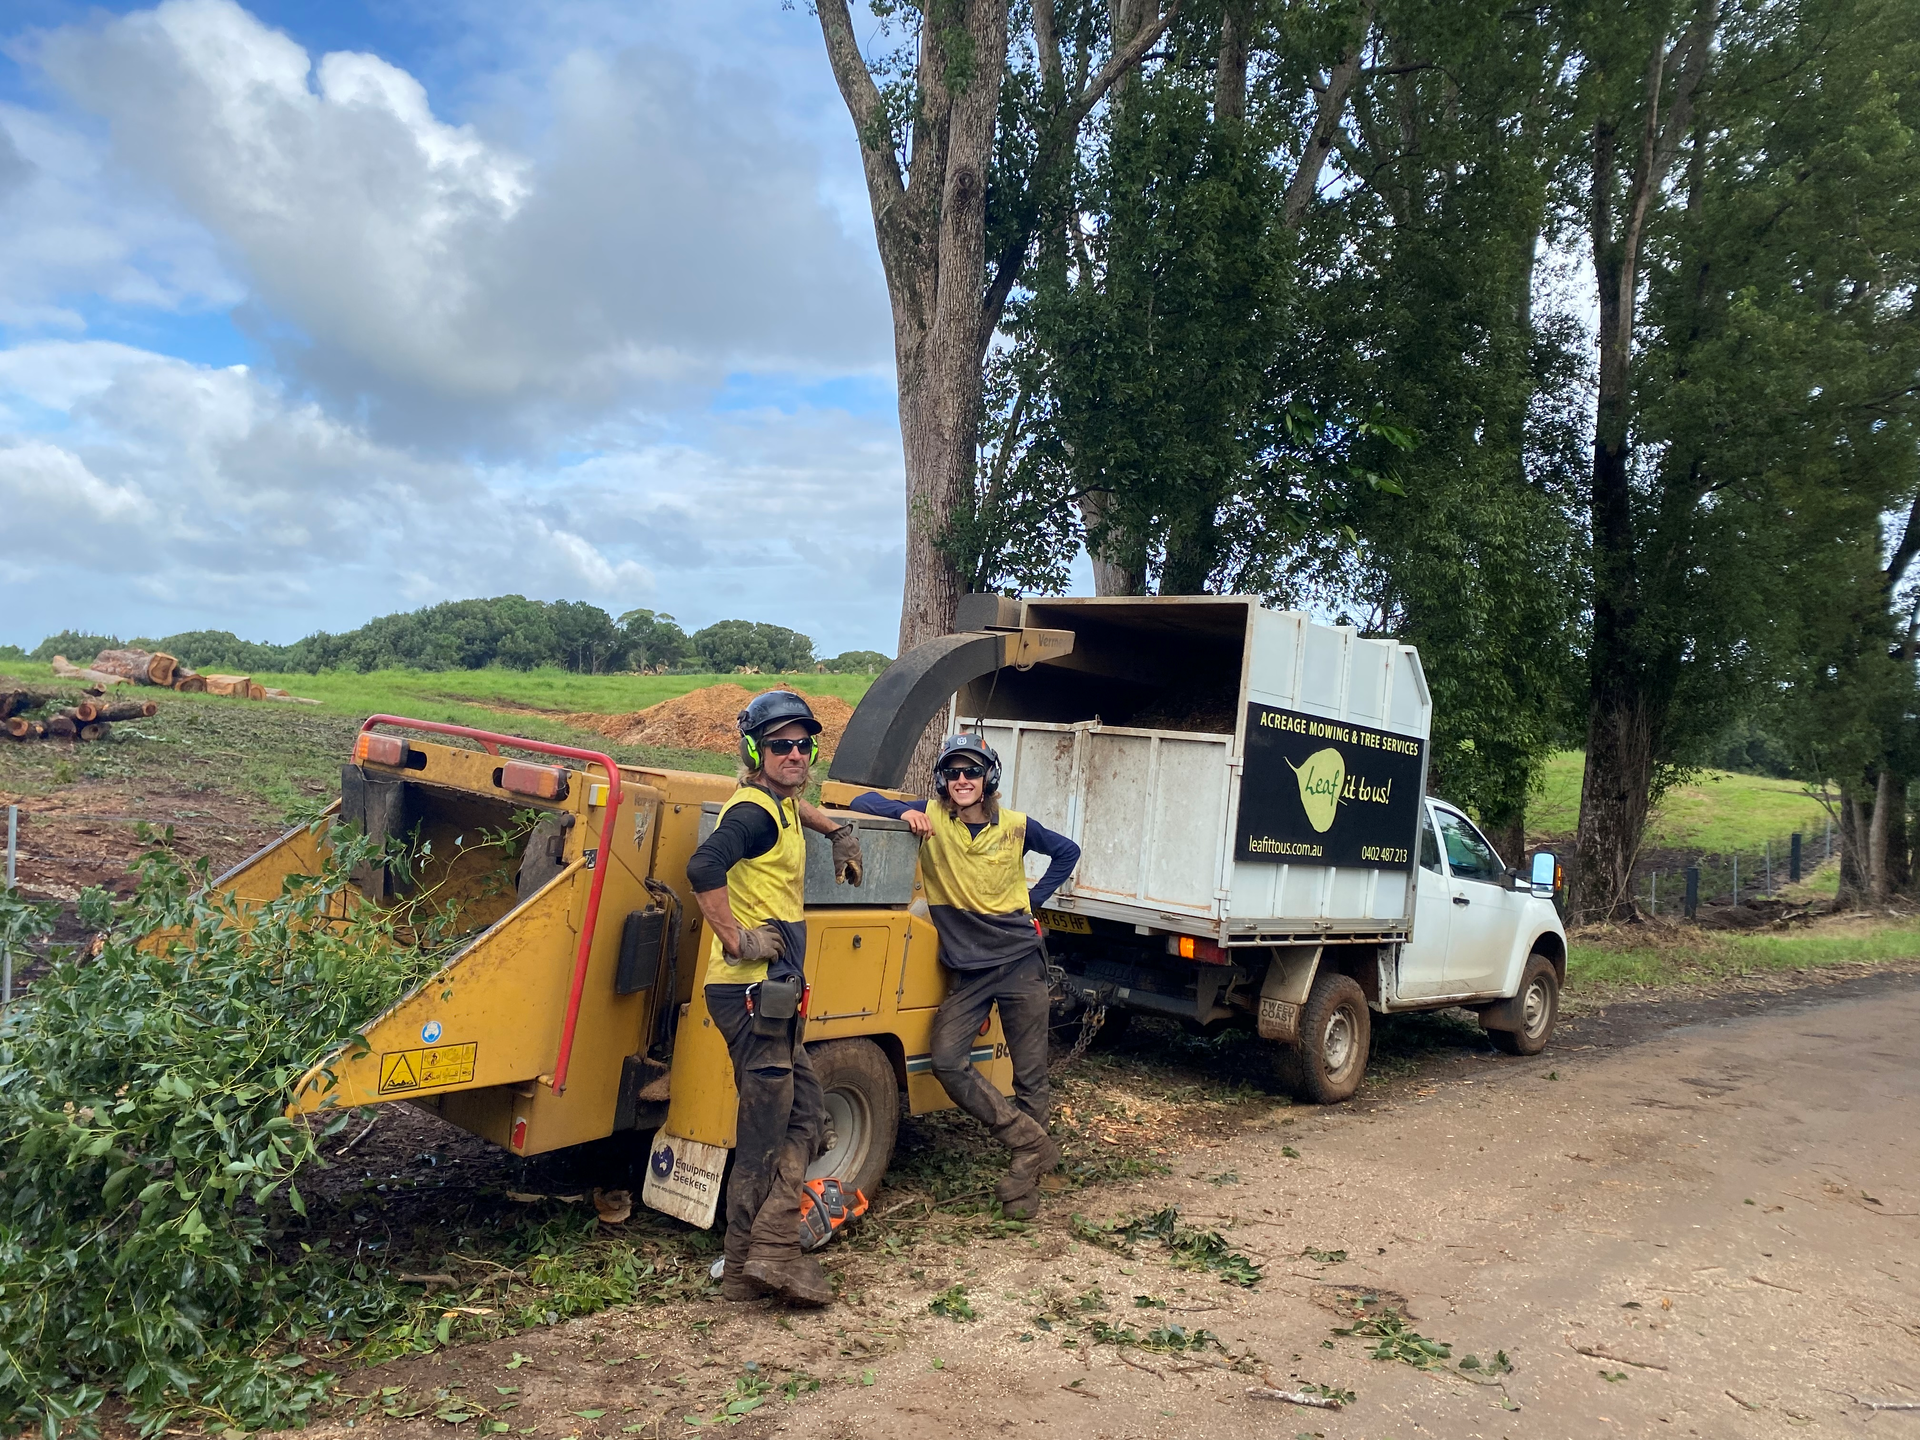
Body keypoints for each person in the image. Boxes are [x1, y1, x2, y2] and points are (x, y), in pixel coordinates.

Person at [849, 735, 1080, 1219]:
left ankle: (1028, 1180)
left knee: (1031, 1075)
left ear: (988, 779)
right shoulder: (931, 819)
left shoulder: (1016, 826)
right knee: (948, 1060)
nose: (961, 781)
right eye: (952, 773)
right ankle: (1029, 1141)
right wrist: (900, 814)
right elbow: (860, 801)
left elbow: (1067, 851)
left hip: (1020, 961)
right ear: (941, 781)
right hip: (970, 970)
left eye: (971, 772)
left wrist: (1034, 901)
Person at [686, 690, 865, 1306]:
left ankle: (768, 1246)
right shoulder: (753, 813)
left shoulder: (782, 804)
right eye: (778, 745)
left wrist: (838, 830)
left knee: (807, 1111)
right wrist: (735, 937)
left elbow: (797, 807)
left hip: (776, 995)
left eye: (802, 744)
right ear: (753, 752)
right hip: (750, 994)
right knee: (766, 1129)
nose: (793, 754)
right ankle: (746, 1266)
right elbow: (704, 864)